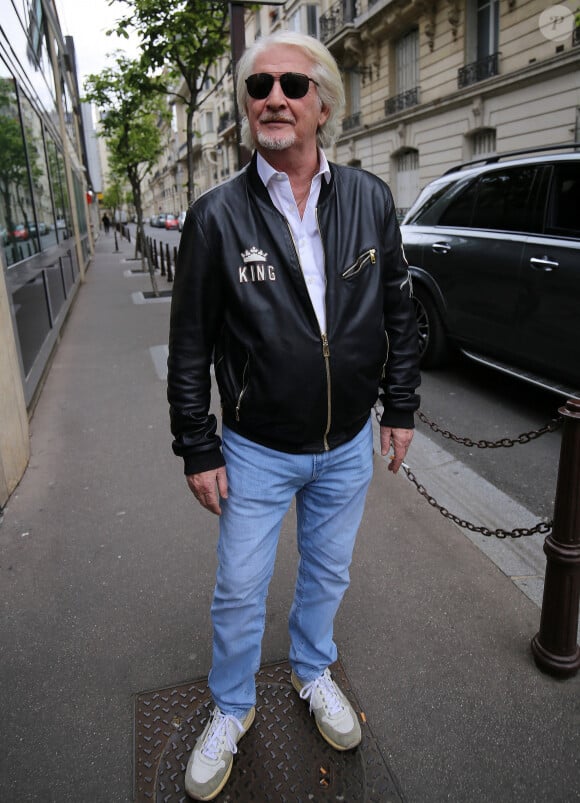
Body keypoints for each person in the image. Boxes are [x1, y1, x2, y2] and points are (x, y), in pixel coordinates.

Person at [167, 31, 420, 801]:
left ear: (323, 104)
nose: (274, 96)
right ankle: (232, 706)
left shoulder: (371, 197)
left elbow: (399, 311)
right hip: (254, 448)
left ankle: (313, 671)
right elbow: (190, 343)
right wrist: (196, 445)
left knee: (328, 572)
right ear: (247, 108)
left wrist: (399, 406)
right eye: (258, 86)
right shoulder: (214, 217)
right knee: (241, 587)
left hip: (345, 444)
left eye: (292, 84)